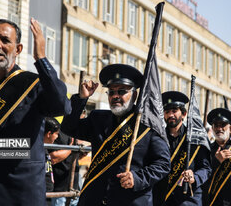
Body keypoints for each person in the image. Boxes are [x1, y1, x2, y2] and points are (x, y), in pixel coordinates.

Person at [0, 18, 71, 206]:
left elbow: (62, 106)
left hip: (20, 192)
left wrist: (41, 58)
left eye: (5, 40)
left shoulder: (34, 85)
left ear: (18, 49)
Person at [61, 64, 171, 206]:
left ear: (135, 95)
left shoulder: (147, 125)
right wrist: (81, 99)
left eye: (121, 91)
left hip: (130, 201)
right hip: (94, 200)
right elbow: (69, 128)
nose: (115, 96)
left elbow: (163, 164)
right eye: (111, 92)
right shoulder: (98, 119)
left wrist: (137, 178)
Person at [154, 91, 211, 206]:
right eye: (167, 112)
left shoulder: (196, 137)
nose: (170, 115)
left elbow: (206, 168)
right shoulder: (157, 137)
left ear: (184, 114)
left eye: (174, 111)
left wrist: (194, 177)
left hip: (188, 199)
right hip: (163, 198)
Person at [43, 117, 60, 205]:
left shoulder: (45, 149)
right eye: (56, 134)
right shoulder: (36, 150)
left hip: (48, 193)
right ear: (49, 133)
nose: (57, 137)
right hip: (41, 194)